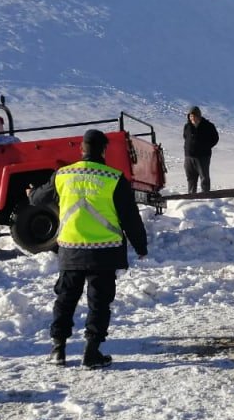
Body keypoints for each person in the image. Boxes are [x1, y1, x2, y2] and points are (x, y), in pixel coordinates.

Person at [29, 129, 148, 369]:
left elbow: (37, 200)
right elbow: (130, 217)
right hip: (103, 251)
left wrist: (31, 193)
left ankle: (58, 349)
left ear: (81, 149)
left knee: (65, 298)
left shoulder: (63, 175)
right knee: (99, 301)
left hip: (71, 249)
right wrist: (140, 245)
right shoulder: (114, 178)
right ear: (104, 150)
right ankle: (92, 352)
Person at [183, 106, 219, 194]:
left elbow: (215, 138)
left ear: (199, 116)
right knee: (191, 178)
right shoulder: (187, 126)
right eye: (191, 116)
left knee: (204, 178)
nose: (193, 118)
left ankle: (205, 196)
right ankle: (191, 196)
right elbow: (185, 137)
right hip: (189, 157)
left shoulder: (208, 126)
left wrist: (205, 147)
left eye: (194, 116)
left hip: (203, 157)